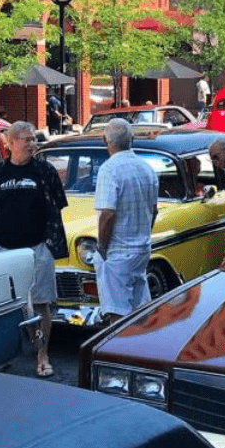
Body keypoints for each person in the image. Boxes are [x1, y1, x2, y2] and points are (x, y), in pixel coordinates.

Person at [0, 120, 69, 377]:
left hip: (37, 247)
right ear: (11, 143)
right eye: (26, 139)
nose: (32, 144)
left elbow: (57, 206)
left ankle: (41, 355)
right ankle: (2, 355)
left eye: (33, 139)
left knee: (40, 305)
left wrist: (51, 244)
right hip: (1, 248)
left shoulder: (45, 171)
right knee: (1, 306)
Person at [93, 119, 158, 325]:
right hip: (141, 248)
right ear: (131, 140)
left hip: (118, 250)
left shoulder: (109, 169)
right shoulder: (147, 168)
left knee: (117, 313)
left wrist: (102, 247)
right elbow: (153, 211)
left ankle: (119, 352)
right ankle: (138, 350)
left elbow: (108, 214)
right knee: (140, 310)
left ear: (105, 140)